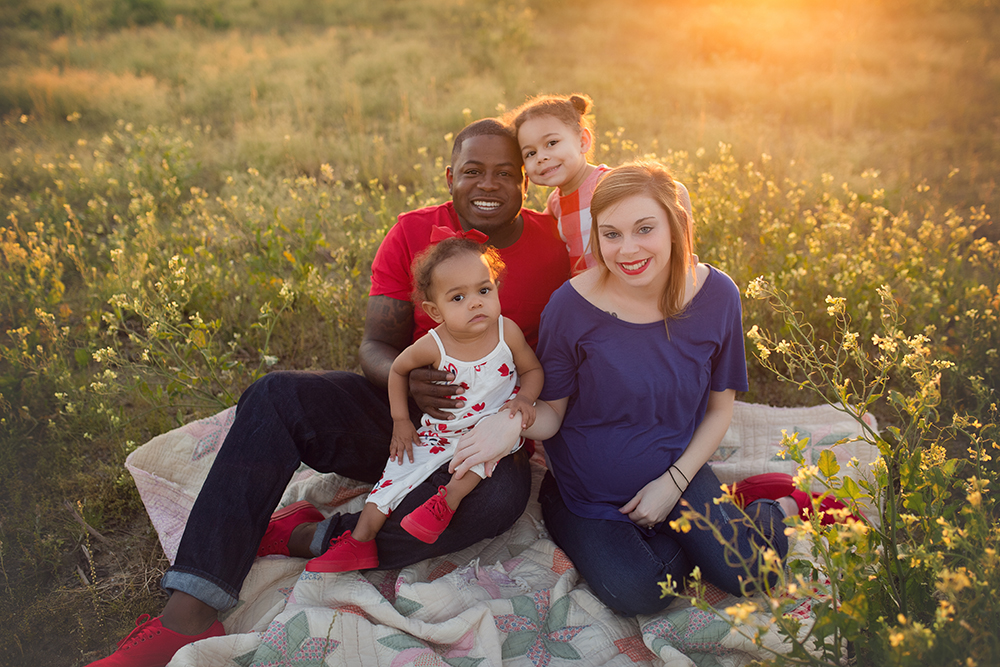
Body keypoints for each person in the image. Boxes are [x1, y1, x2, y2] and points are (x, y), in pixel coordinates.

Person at [87, 119, 570, 667]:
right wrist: (407, 380)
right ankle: (189, 611)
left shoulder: (552, 249)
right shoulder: (413, 232)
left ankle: (316, 537)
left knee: (499, 503)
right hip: (403, 419)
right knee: (276, 396)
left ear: (526, 181)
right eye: (473, 171)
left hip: (485, 434)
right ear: (449, 177)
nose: (488, 184)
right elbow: (375, 345)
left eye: (506, 173)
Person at [453, 160, 790, 616]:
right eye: (611, 234)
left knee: (752, 575)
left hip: (676, 470)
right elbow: (551, 413)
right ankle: (678, 540)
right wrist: (511, 424)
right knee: (643, 592)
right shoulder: (571, 307)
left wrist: (672, 485)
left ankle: (777, 506)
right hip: (586, 492)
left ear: (675, 226)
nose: (627, 250)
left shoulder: (718, 296)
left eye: (644, 229)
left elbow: (719, 410)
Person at [309, 234, 544, 572]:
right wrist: (401, 421)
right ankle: (359, 540)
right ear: (436, 311)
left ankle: (445, 502)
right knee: (395, 476)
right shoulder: (433, 345)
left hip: (488, 430)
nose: (476, 303)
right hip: (438, 433)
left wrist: (524, 398)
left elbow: (532, 369)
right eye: (458, 297)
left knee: (479, 461)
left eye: (484, 290)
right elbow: (398, 371)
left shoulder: (507, 333)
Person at [507, 93, 695, 275]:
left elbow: (678, 190)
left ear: (583, 141)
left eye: (551, 142)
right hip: (593, 298)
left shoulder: (608, 183)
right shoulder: (555, 203)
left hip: (630, 284)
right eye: (530, 153)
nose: (541, 157)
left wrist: (683, 257)